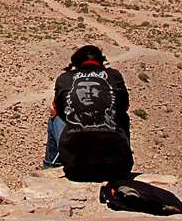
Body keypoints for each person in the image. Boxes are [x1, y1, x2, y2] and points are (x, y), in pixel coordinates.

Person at [42, 44, 133, 181]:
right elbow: (125, 106)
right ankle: (118, 153)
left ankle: (51, 168)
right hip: (118, 169)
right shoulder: (114, 75)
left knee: (55, 118)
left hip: (76, 170)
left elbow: (56, 108)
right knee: (123, 116)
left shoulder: (64, 78)